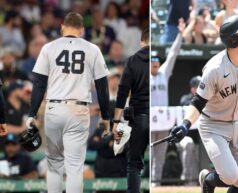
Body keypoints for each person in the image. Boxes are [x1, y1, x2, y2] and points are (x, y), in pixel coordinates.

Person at [170, 15, 238, 193]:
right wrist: (185, 124)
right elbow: (197, 102)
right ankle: (207, 180)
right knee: (230, 175)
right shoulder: (214, 68)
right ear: (232, 39)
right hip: (213, 124)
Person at [25, 12, 110, 193]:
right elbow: (102, 87)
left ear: (62, 26)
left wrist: (32, 113)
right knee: (74, 167)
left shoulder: (48, 48)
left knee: (54, 165)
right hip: (78, 109)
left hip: (54, 108)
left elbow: (39, 84)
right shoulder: (93, 49)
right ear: (82, 29)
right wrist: (106, 116)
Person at [112, 28, 149, 193]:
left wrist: (116, 122)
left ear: (142, 42)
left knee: (134, 164)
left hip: (139, 116)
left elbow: (122, 92)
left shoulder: (133, 60)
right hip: (158, 117)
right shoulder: (159, 59)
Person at [151, 18, 185, 186]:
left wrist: (180, 34)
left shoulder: (164, 72)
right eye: (153, 63)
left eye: (157, 63)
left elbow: (172, 53)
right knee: (149, 152)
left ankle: (156, 183)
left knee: (160, 153)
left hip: (163, 120)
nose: (155, 65)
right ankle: (148, 182)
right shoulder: (145, 76)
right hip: (150, 120)